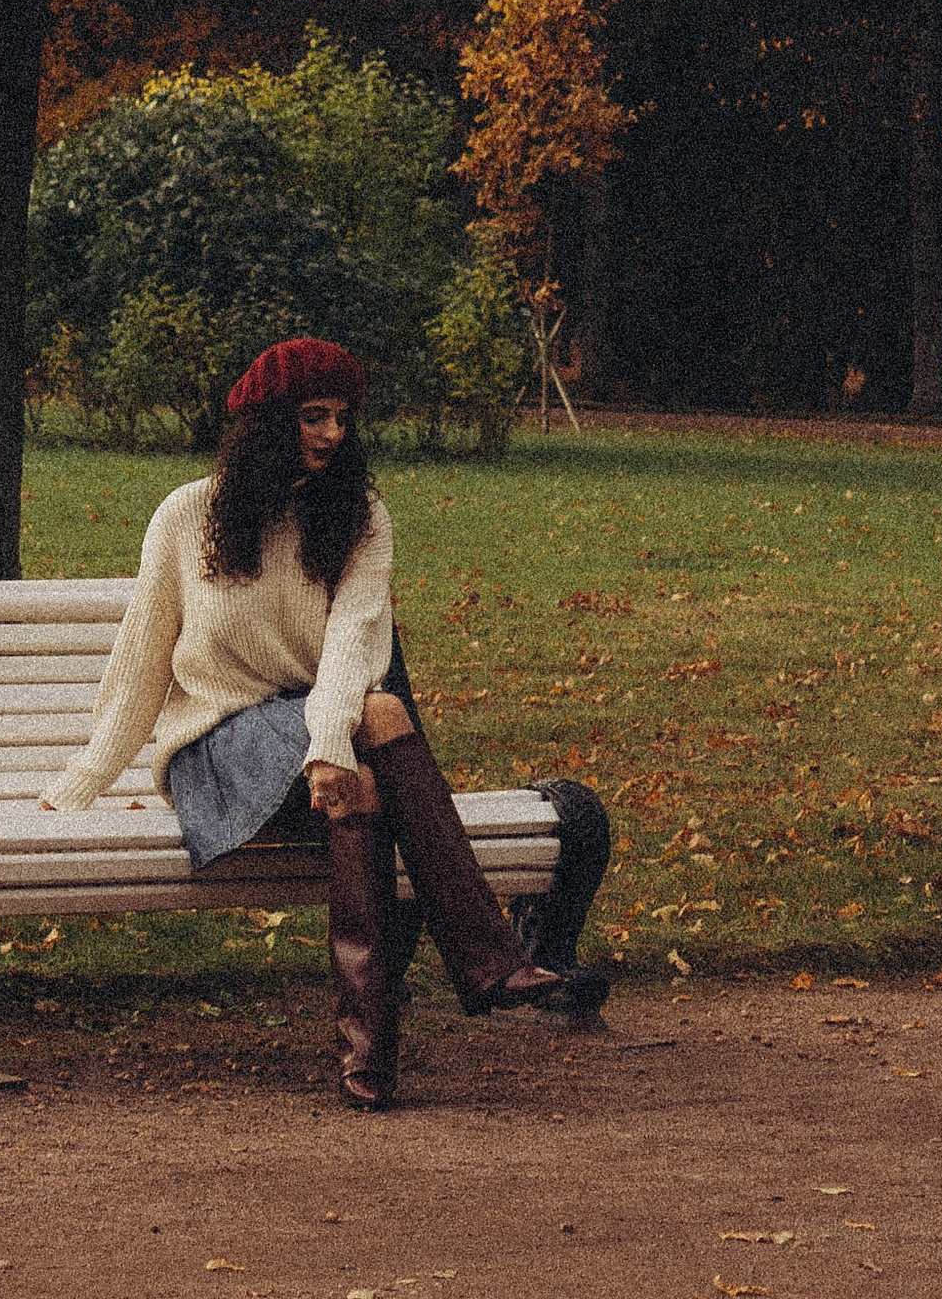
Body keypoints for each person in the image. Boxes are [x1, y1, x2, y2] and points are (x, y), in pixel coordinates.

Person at [40, 333, 607, 1107]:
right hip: (216, 744)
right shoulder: (186, 518)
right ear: (268, 423)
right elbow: (142, 662)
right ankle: (483, 965)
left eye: (342, 417)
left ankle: (370, 1057)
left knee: (363, 776)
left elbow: (351, 649)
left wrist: (329, 746)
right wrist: (85, 780)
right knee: (372, 726)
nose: (332, 434)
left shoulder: (361, 519)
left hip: (320, 737)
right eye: (312, 416)